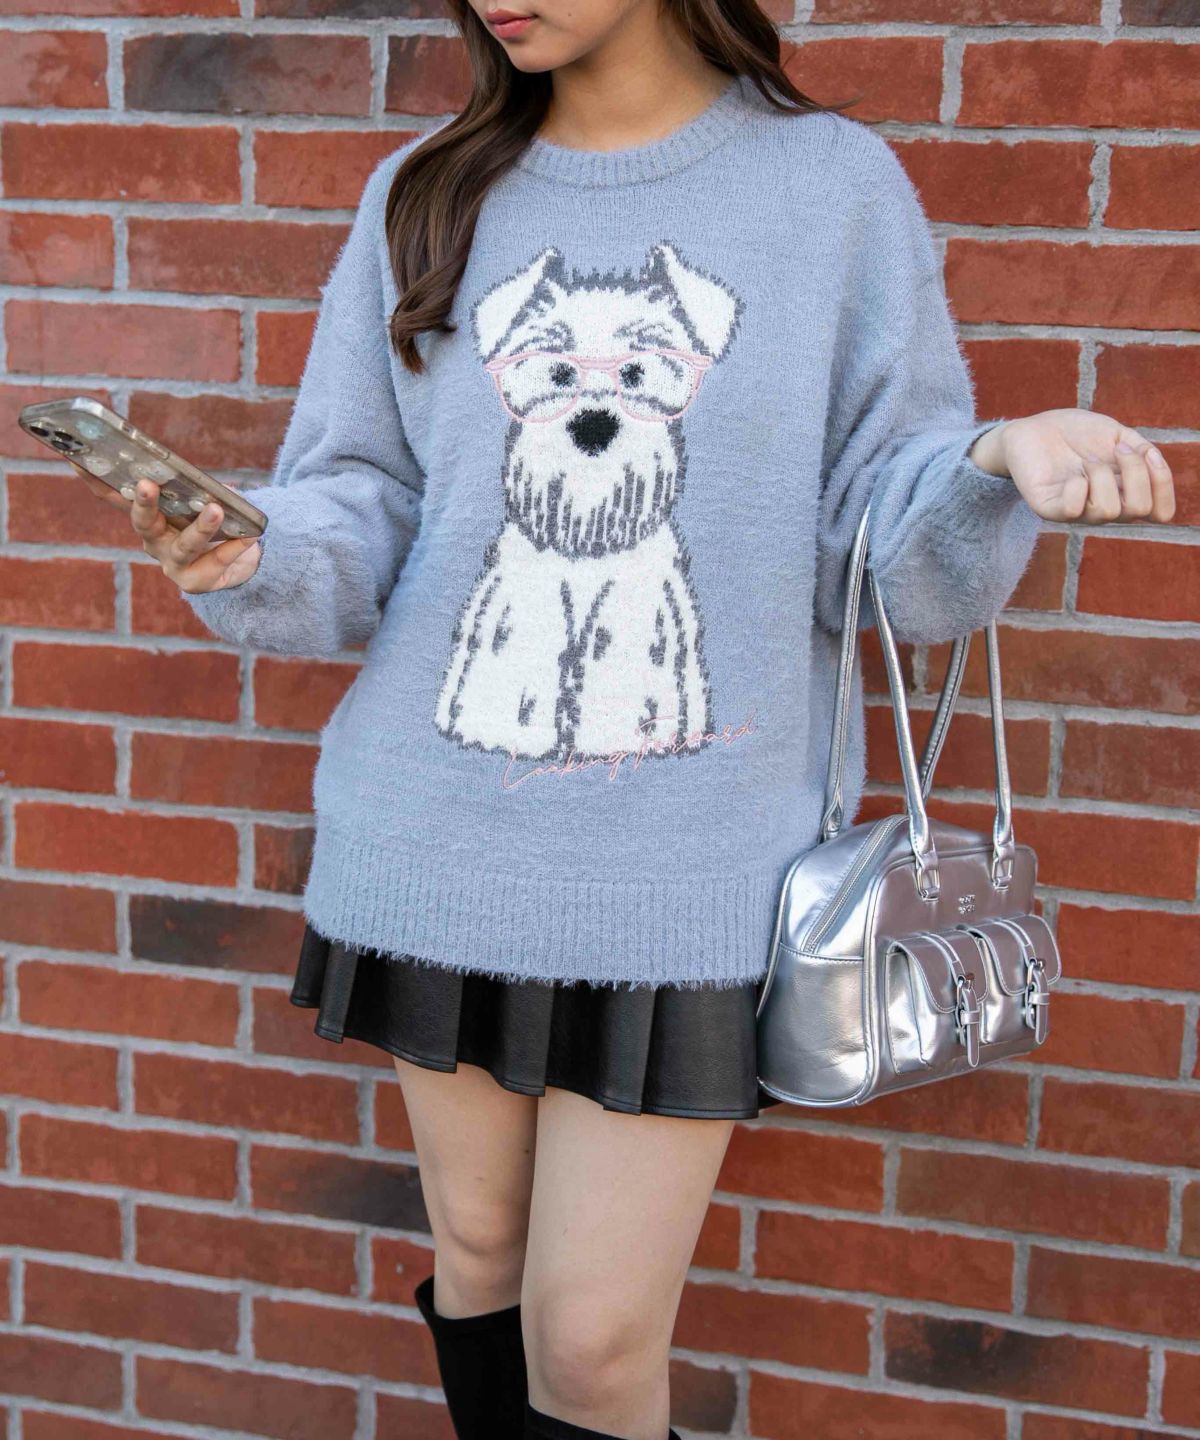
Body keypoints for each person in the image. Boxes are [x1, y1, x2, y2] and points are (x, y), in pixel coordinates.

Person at [88, 0, 1175, 1436]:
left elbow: (881, 543)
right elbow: (370, 497)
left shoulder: (829, 190)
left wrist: (987, 466)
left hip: (690, 867)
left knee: (594, 1344)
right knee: (480, 1258)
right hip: (435, 838)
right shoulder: (426, 192)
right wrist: (258, 554)